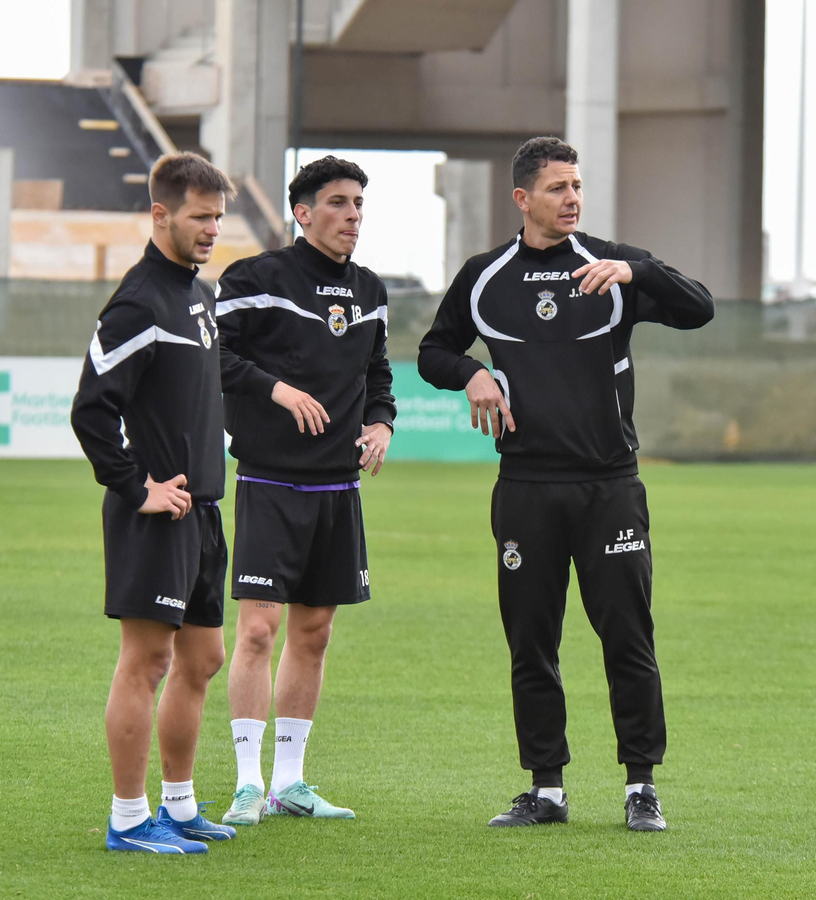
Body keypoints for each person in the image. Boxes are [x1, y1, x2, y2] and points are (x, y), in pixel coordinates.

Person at [417, 136, 713, 832]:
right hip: (525, 487)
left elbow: (698, 308)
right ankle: (545, 789)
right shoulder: (485, 275)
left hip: (608, 486)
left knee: (628, 638)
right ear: (523, 199)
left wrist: (638, 272)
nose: (572, 198)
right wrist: (473, 373)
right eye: (557, 188)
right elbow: (434, 349)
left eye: (577, 186)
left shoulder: (609, 267)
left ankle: (642, 786)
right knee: (531, 641)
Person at [213, 155, 395, 826]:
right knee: (259, 629)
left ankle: (290, 783)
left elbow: (378, 373)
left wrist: (381, 423)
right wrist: (277, 388)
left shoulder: (372, 291)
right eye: (340, 204)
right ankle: (245, 782)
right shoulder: (256, 279)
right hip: (268, 480)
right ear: (303, 211)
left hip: (337, 487)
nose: (352, 216)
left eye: (358, 205)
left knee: (313, 634)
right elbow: (214, 353)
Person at [70, 152, 240, 853]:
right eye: (200, 218)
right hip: (156, 515)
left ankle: (177, 803)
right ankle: (129, 818)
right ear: (160, 214)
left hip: (201, 509)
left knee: (202, 661)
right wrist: (135, 486)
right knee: (147, 663)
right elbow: (90, 409)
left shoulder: (198, 297)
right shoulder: (139, 301)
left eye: (217, 219)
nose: (210, 231)